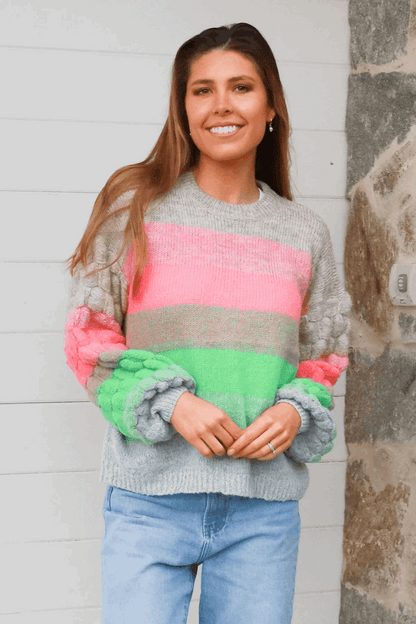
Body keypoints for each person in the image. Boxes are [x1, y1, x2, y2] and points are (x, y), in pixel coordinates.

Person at [65, 22, 350, 624]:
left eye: (241, 87)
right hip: (148, 503)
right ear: (183, 109)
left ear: (270, 107)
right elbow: (88, 339)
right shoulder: (134, 211)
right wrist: (172, 403)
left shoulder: (304, 233)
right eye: (202, 90)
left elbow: (324, 357)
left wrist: (295, 411)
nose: (221, 104)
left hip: (262, 513)